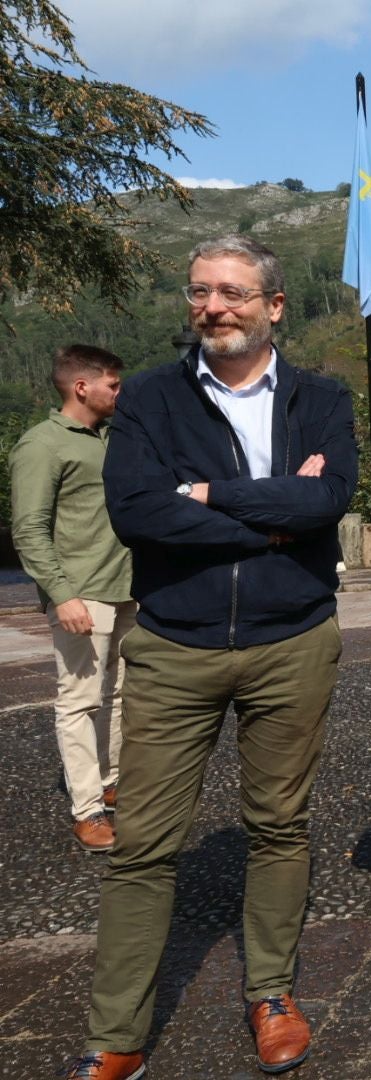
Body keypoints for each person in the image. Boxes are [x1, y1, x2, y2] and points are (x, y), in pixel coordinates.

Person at [66, 235, 357, 1080]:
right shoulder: (152, 399)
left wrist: (213, 494)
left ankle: (271, 992)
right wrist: (274, 515)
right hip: (175, 647)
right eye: (200, 292)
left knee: (279, 827)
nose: (214, 308)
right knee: (145, 845)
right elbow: (138, 514)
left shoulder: (322, 398)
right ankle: (116, 1033)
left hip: (291, 641)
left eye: (233, 293)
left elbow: (329, 499)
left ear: (274, 306)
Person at [9, 345, 135, 854]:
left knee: (123, 694)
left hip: (128, 588)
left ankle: (111, 781)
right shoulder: (42, 445)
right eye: (114, 383)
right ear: (82, 387)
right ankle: (87, 810)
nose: (119, 392)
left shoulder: (110, 439)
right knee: (79, 700)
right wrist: (62, 596)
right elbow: (28, 530)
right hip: (82, 594)